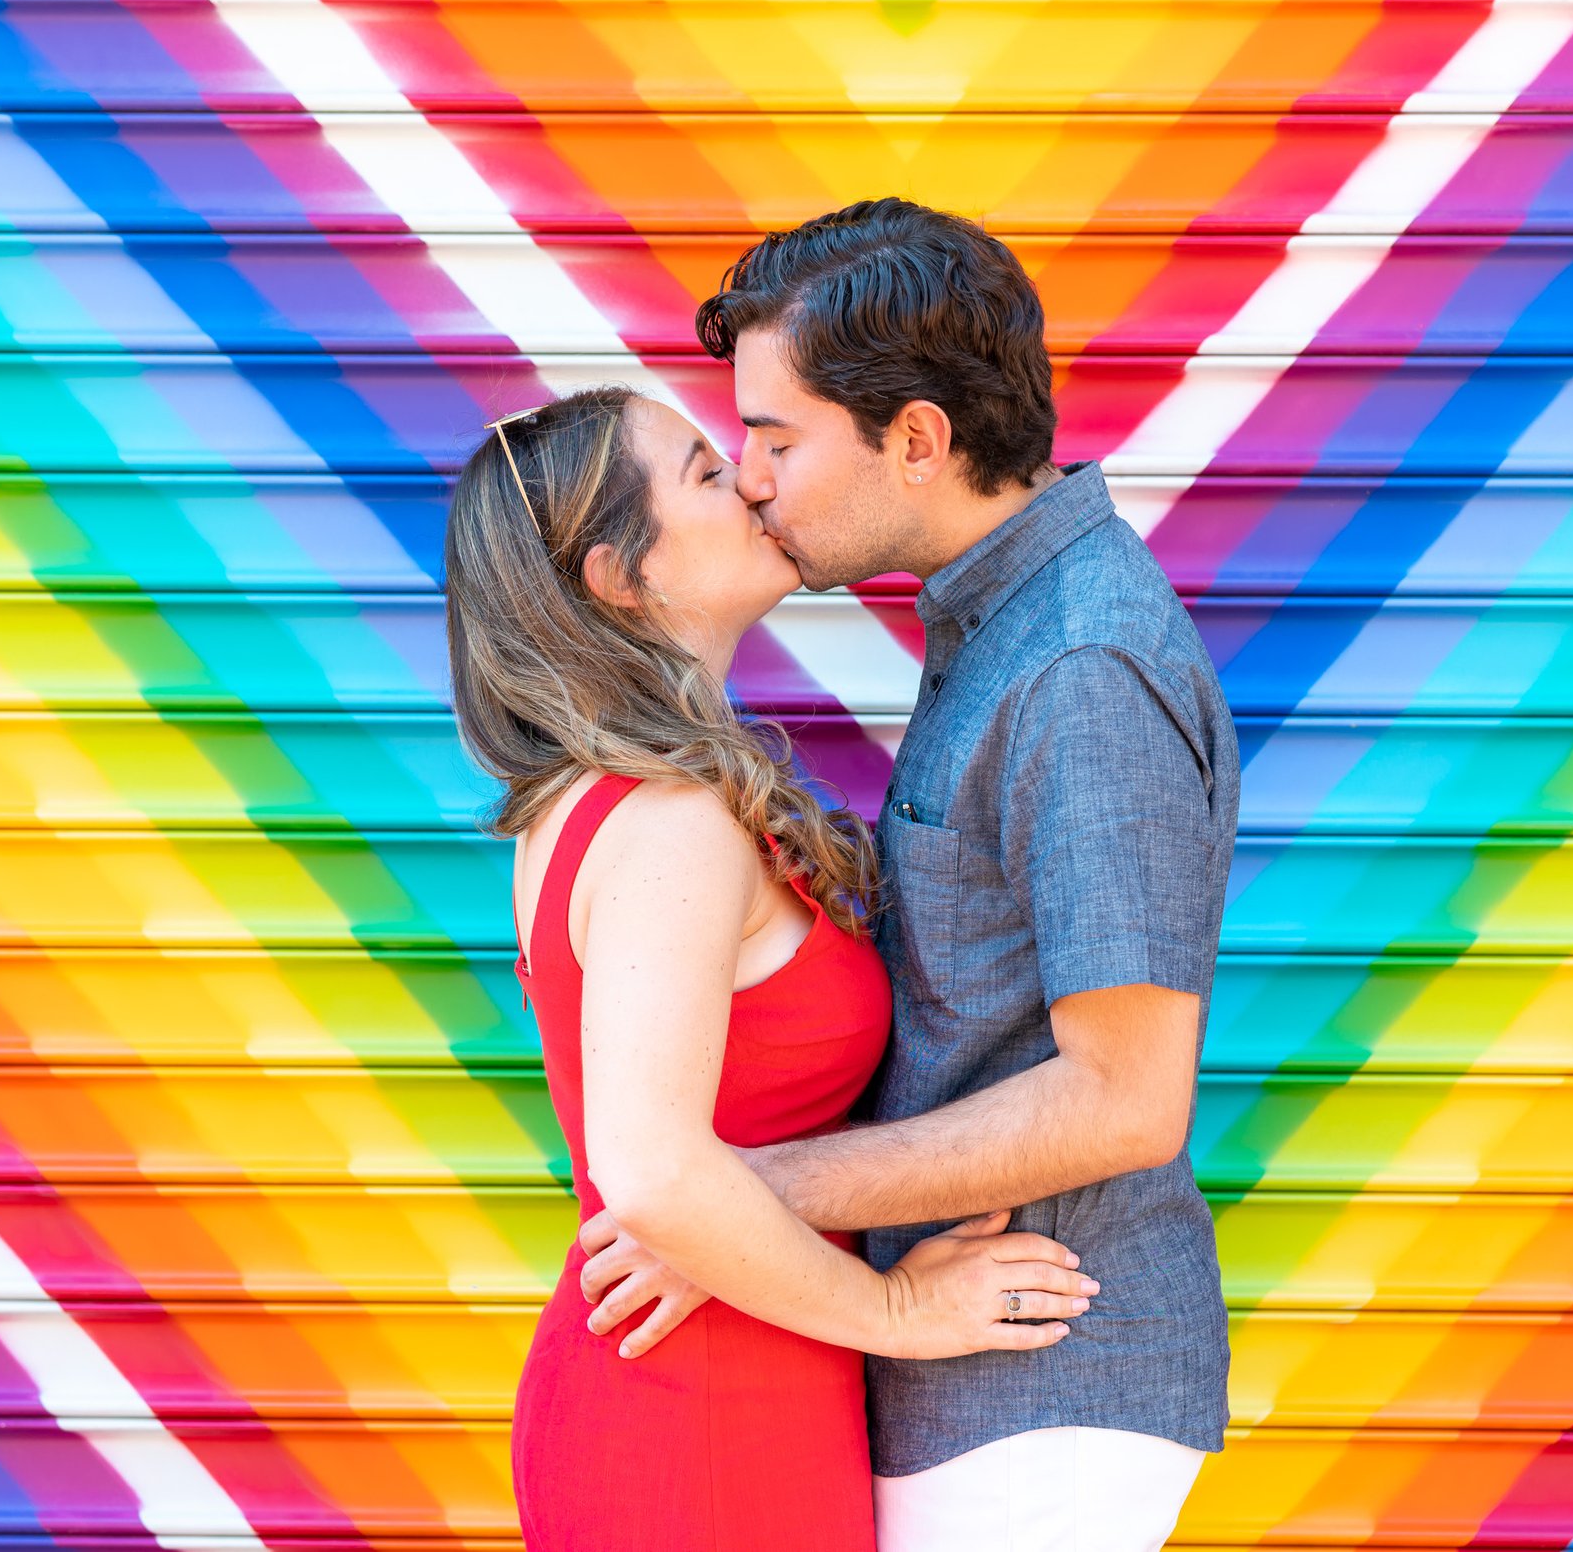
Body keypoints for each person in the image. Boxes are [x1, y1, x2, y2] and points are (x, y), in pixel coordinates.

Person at [576, 199, 1241, 1552]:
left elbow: (1126, 1099)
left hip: (1047, 1369)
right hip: (981, 1372)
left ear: (919, 441)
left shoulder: (1079, 668)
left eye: (775, 439)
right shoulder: (1003, 626)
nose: (752, 477)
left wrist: (744, 1196)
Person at [445, 385, 1100, 1552]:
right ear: (619, 575)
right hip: (692, 1427)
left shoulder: (619, 802)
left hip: (729, 1388)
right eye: (704, 472)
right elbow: (648, 1175)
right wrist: (898, 1309)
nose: (752, 480)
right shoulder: (666, 819)